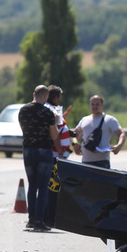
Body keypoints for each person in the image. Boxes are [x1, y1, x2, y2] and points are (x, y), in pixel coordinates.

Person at [18, 85, 59, 232]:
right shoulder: (48, 112)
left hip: (28, 150)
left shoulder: (23, 110)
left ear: (34, 94)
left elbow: (24, 128)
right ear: (45, 97)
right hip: (44, 150)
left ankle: (31, 219)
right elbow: (54, 135)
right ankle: (39, 220)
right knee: (43, 187)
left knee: (32, 185)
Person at [73, 95, 125, 169]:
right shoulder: (84, 119)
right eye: (92, 104)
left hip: (102, 161)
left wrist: (118, 146)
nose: (94, 107)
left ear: (102, 105)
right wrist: (75, 144)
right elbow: (74, 134)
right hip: (86, 161)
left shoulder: (110, 120)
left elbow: (121, 134)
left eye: (97, 104)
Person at [44, 86, 72, 227]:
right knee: (53, 189)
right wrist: (61, 151)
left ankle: (48, 217)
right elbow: (54, 132)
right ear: (55, 98)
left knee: (51, 188)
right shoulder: (51, 109)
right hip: (56, 155)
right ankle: (50, 218)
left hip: (57, 154)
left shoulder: (51, 109)